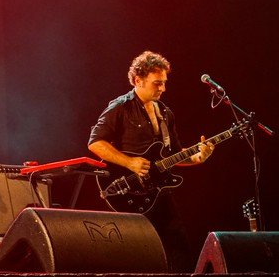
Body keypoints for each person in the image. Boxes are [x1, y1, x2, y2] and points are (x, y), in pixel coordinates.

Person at [88, 51, 214, 271]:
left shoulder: (165, 113)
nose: (163, 88)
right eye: (157, 83)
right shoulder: (120, 107)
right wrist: (129, 162)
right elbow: (95, 143)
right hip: (129, 192)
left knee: (178, 250)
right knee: (137, 254)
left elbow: (174, 154)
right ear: (138, 80)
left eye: (164, 83)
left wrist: (198, 157)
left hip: (158, 192)